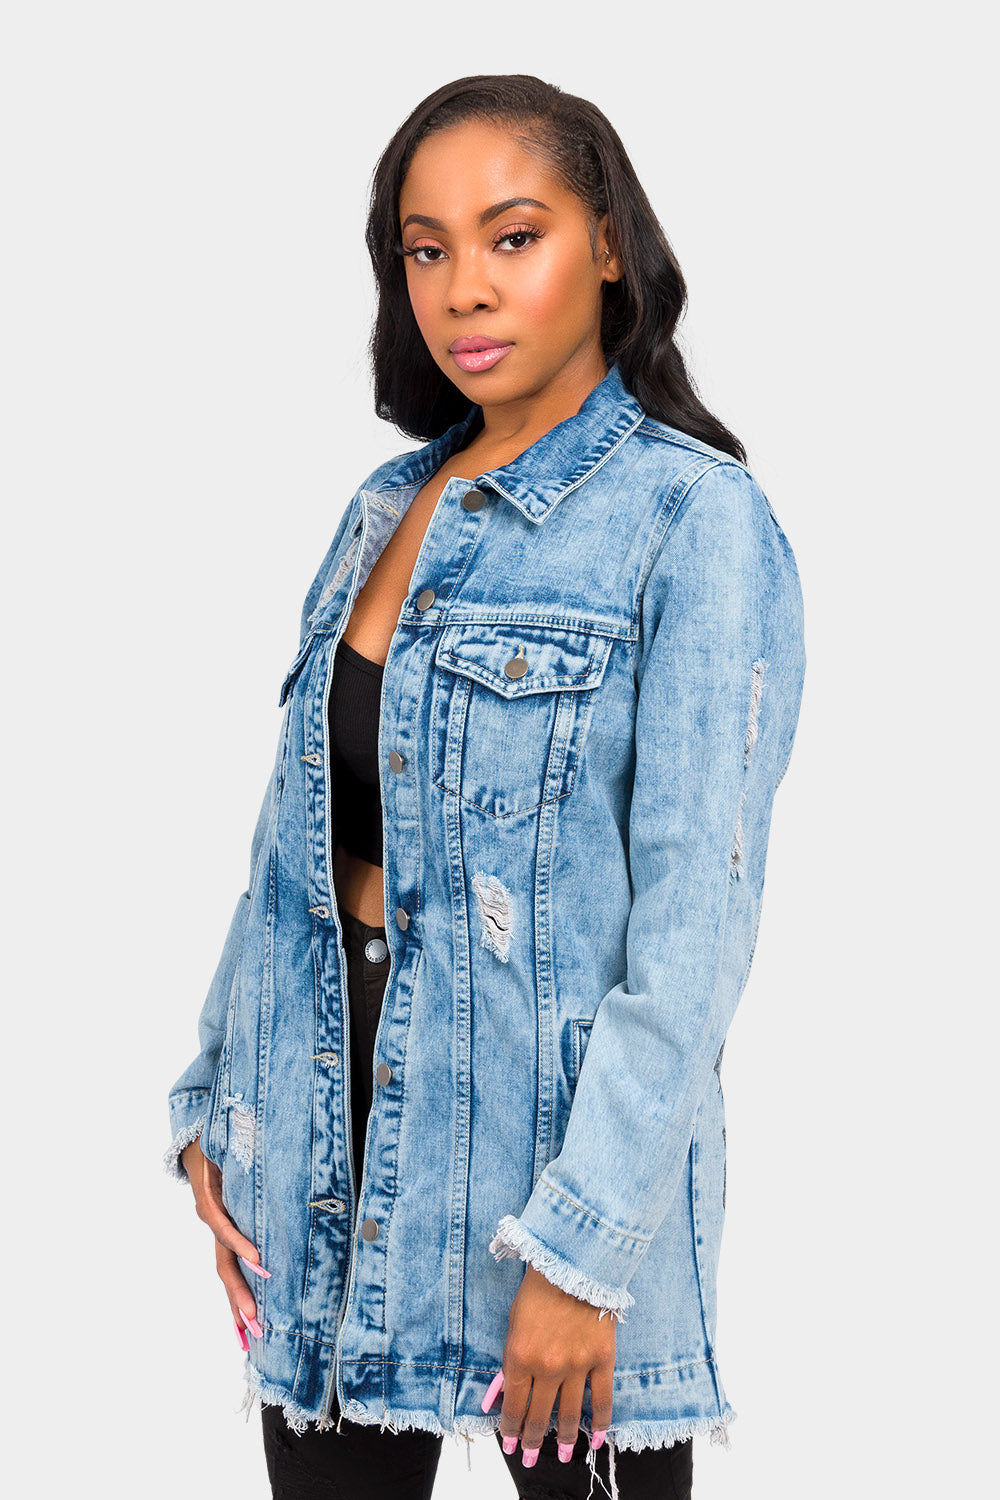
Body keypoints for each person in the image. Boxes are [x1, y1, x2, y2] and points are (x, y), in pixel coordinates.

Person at [162, 73, 806, 1500]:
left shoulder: (696, 521)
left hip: (544, 1187)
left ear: (610, 244)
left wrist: (585, 1249)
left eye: (514, 236)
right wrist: (218, 1104)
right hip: (318, 1161)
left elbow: (695, 934)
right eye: (427, 247)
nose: (465, 287)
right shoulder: (386, 507)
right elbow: (293, 849)